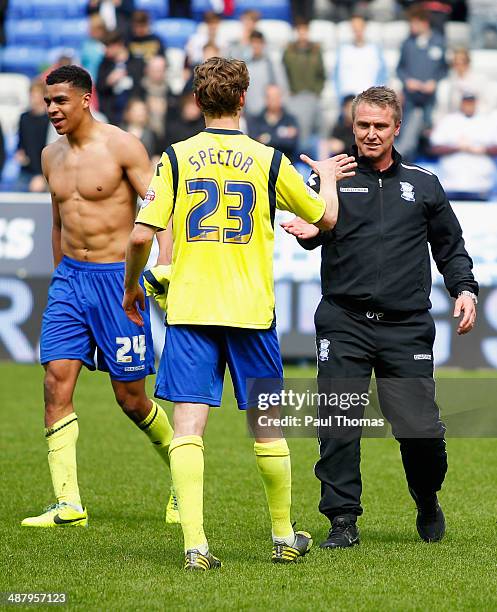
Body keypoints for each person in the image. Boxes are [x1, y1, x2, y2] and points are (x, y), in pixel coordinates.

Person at [122, 56, 356, 570]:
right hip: (251, 309)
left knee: (188, 428)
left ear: (198, 101)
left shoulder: (177, 159)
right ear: (244, 99)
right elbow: (327, 218)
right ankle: (281, 536)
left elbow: (141, 234)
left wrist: (133, 289)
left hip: (191, 306)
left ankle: (195, 545)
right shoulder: (269, 159)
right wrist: (329, 179)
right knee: (267, 426)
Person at [282, 86, 478, 549]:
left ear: (397, 128)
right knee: (337, 422)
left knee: (421, 431)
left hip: (405, 325)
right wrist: (311, 229)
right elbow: (312, 232)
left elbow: (451, 247)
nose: (371, 134)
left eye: (380, 126)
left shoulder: (424, 183)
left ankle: (426, 497)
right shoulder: (330, 178)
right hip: (343, 320)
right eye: (363, 125)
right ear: (352, 126)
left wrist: (464, 288)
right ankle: (342, 520)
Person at [21, 65, 178, 528]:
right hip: (71, 281)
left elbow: (160, 209)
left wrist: (163, 266)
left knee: (130, 399)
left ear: (86, 99)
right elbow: (57, 222)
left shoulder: (122, 146)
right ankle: (68, 503)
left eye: (60, 101)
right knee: (55, 382)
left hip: (118, 283)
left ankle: (181, 470)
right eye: (48, 101)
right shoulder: (51, 156)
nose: (52, 109)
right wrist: (59, 279)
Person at [396, 5, 447, 160]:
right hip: (411, 99)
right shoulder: (407, 44)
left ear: (424, 23)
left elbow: (444, 69)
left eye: (414, 23)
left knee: (429, 135)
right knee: (408, 134)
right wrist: (408, 81)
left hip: (431, 99)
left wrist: (434, 82)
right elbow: (400, 69)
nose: (411, 27)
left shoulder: (439, 42)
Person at [430, 92, 497, 199]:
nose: (468, 105)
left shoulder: (487, 121)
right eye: (466, 102)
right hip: (450, 184)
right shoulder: (449, 121)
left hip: (480, 186)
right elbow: (434, 148)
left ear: (476, 103)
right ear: (461, 103)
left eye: (471, 103)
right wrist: (457, 148)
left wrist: (482, 149)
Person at [333, 14, 387, 103]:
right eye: (354, 27)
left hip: (370, 101)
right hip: (348, 101)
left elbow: (382, 76)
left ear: (364, 27)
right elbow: (336, 77)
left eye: (360, 27)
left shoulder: (374, 50)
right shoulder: (343, 50)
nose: (357, 30)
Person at [96, 30, 145, 126]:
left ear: (119, 45)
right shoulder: (105, 64)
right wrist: (108, 82)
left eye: (108, 46)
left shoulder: (136, 62)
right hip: (112, 111)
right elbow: (99, 87)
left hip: (132, 108)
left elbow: (141, 85)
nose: (105, 50)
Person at [247, 84, 299, 161]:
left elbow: (291, 144)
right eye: (270, 97)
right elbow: (255, 143)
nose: (273, 100)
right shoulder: (256, 120)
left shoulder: (290, 119)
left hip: (287, 164)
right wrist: (282, 134)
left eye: (276, 97)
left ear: (281, 98)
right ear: (265, 99)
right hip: (263, 164)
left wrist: (267, 138)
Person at [16, 80, 50, 193]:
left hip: (43, 173)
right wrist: (20, 154)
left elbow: (49, 149)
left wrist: (41, 176)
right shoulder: (24, 118)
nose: (32, 99)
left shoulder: (50, 120)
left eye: (36, 96)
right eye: (31, 95)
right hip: (25, 171)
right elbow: (21, 143)